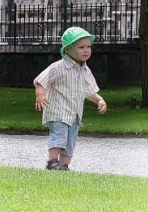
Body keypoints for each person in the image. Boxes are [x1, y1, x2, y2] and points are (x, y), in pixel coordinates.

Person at [34, 26, 107, 171]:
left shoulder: (85, 70)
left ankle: (64, 165)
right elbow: (40, 81)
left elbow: (89, 91)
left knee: (70, 140)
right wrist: (40, 95)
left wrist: (99, 100)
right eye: (81, 47)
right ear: (68, 49)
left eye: (88, 47)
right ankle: (52, 162)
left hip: (74, 114)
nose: (86, 50)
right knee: (59, 136)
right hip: (58, 111)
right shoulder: (58, 67)